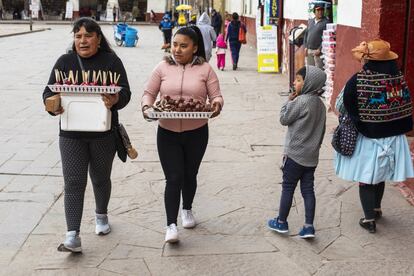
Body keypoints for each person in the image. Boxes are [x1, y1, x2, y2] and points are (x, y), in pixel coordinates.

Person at [42, 18, 131, 253]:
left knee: (101, 178)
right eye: (78, 36)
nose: (83, 40)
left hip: (103, 133)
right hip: (71, 134)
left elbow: (126, 92)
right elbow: (48, 92)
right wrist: (52, 105)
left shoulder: (111, 61)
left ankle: (101, 216)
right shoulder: (65, 62)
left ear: (98, 39)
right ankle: (73, 235)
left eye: (88, 36)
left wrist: (115, 99)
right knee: (73, 182)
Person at [141, 27, 224, 243]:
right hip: (167, 132)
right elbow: (149, 94)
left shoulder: (206, 69)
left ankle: (187, 209)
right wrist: (146, 107)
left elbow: (216, 96)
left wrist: (216, 105)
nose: (177, 49)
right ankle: (171, 225)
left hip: (197, 132)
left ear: (195, 48)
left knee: (190, 174)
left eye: (183, 46)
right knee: (174, 177)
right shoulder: (162, 67)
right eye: (174, 44)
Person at [335, 39, 414, 233]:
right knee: (381, 175)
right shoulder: (398, 79)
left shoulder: (358, 80)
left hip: (369, 137)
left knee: (367, 177)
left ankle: (369, 219)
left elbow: (346, 106)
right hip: (394, 137)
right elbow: (405, 105)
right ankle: (377, 208)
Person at [268, 66, 327, 239]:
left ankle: (281, 222)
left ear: (309, 83)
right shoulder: (321, 105)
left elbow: (284, 119)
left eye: (299, 80)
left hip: (294, 155)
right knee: (308, 190)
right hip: (311, 157)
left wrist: (289, 101)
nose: (295, 82)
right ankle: (308, 226)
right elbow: (321, 131)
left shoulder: (301, 102)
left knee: (288, 187)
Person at [303, 3, 328, 69]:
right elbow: (306, 34)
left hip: (318, 51)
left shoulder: (326, 22)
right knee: (310, 70)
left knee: (319, 71)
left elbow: (326, 39)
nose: (320, 12)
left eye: (322, 10)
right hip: (309, 50)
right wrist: (305, 47)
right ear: (314, 11)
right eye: (318, 10)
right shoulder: (310, 21)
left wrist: (320, 49)